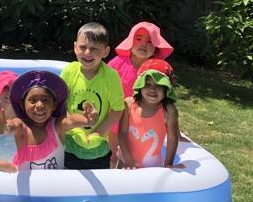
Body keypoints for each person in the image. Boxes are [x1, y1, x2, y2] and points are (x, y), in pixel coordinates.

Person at [0, 70, 99, 170]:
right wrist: (2, 128)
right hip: (27, 190)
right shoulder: (21, 126)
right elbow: (10, 126)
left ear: (54, 105)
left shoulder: (57, 125)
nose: (40, 105)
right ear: (23, 105)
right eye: (33, 100)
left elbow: (71, 120)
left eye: (45, 100)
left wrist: (86, 121)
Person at [106, 21, 174, 168]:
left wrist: (176, 132)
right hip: (116, 115)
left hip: (140, 118)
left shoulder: (156, 70)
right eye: (139, 39)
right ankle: (112, 177)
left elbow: (166, 93)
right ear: (130, 42)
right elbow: (104, 79)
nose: (144, 44)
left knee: (137, 151)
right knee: (111, 155)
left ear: (156, 47)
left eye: (150, 41)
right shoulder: (118, 63)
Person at [60, 22, 124, 170]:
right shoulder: (69, 71)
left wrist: (98, 133)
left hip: (99, 147)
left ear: (106, 52)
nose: (87, 53)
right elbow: (60, 103)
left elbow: (117, 109)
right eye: (83, 47)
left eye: (94, 49)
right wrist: (74, 127)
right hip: (69, 144)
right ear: (75, 47)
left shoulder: (111, 76)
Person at [117, 59, 185, 169]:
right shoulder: (129, 104)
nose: (152, 89)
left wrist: (168, 164)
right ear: (140, 85)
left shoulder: (168, 110)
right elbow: (123, 132)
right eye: (147, 84)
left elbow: (172, 139)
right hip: (125, 162)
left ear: (166, 89)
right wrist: (128, 158)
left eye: (158, 85)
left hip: (153, 168)